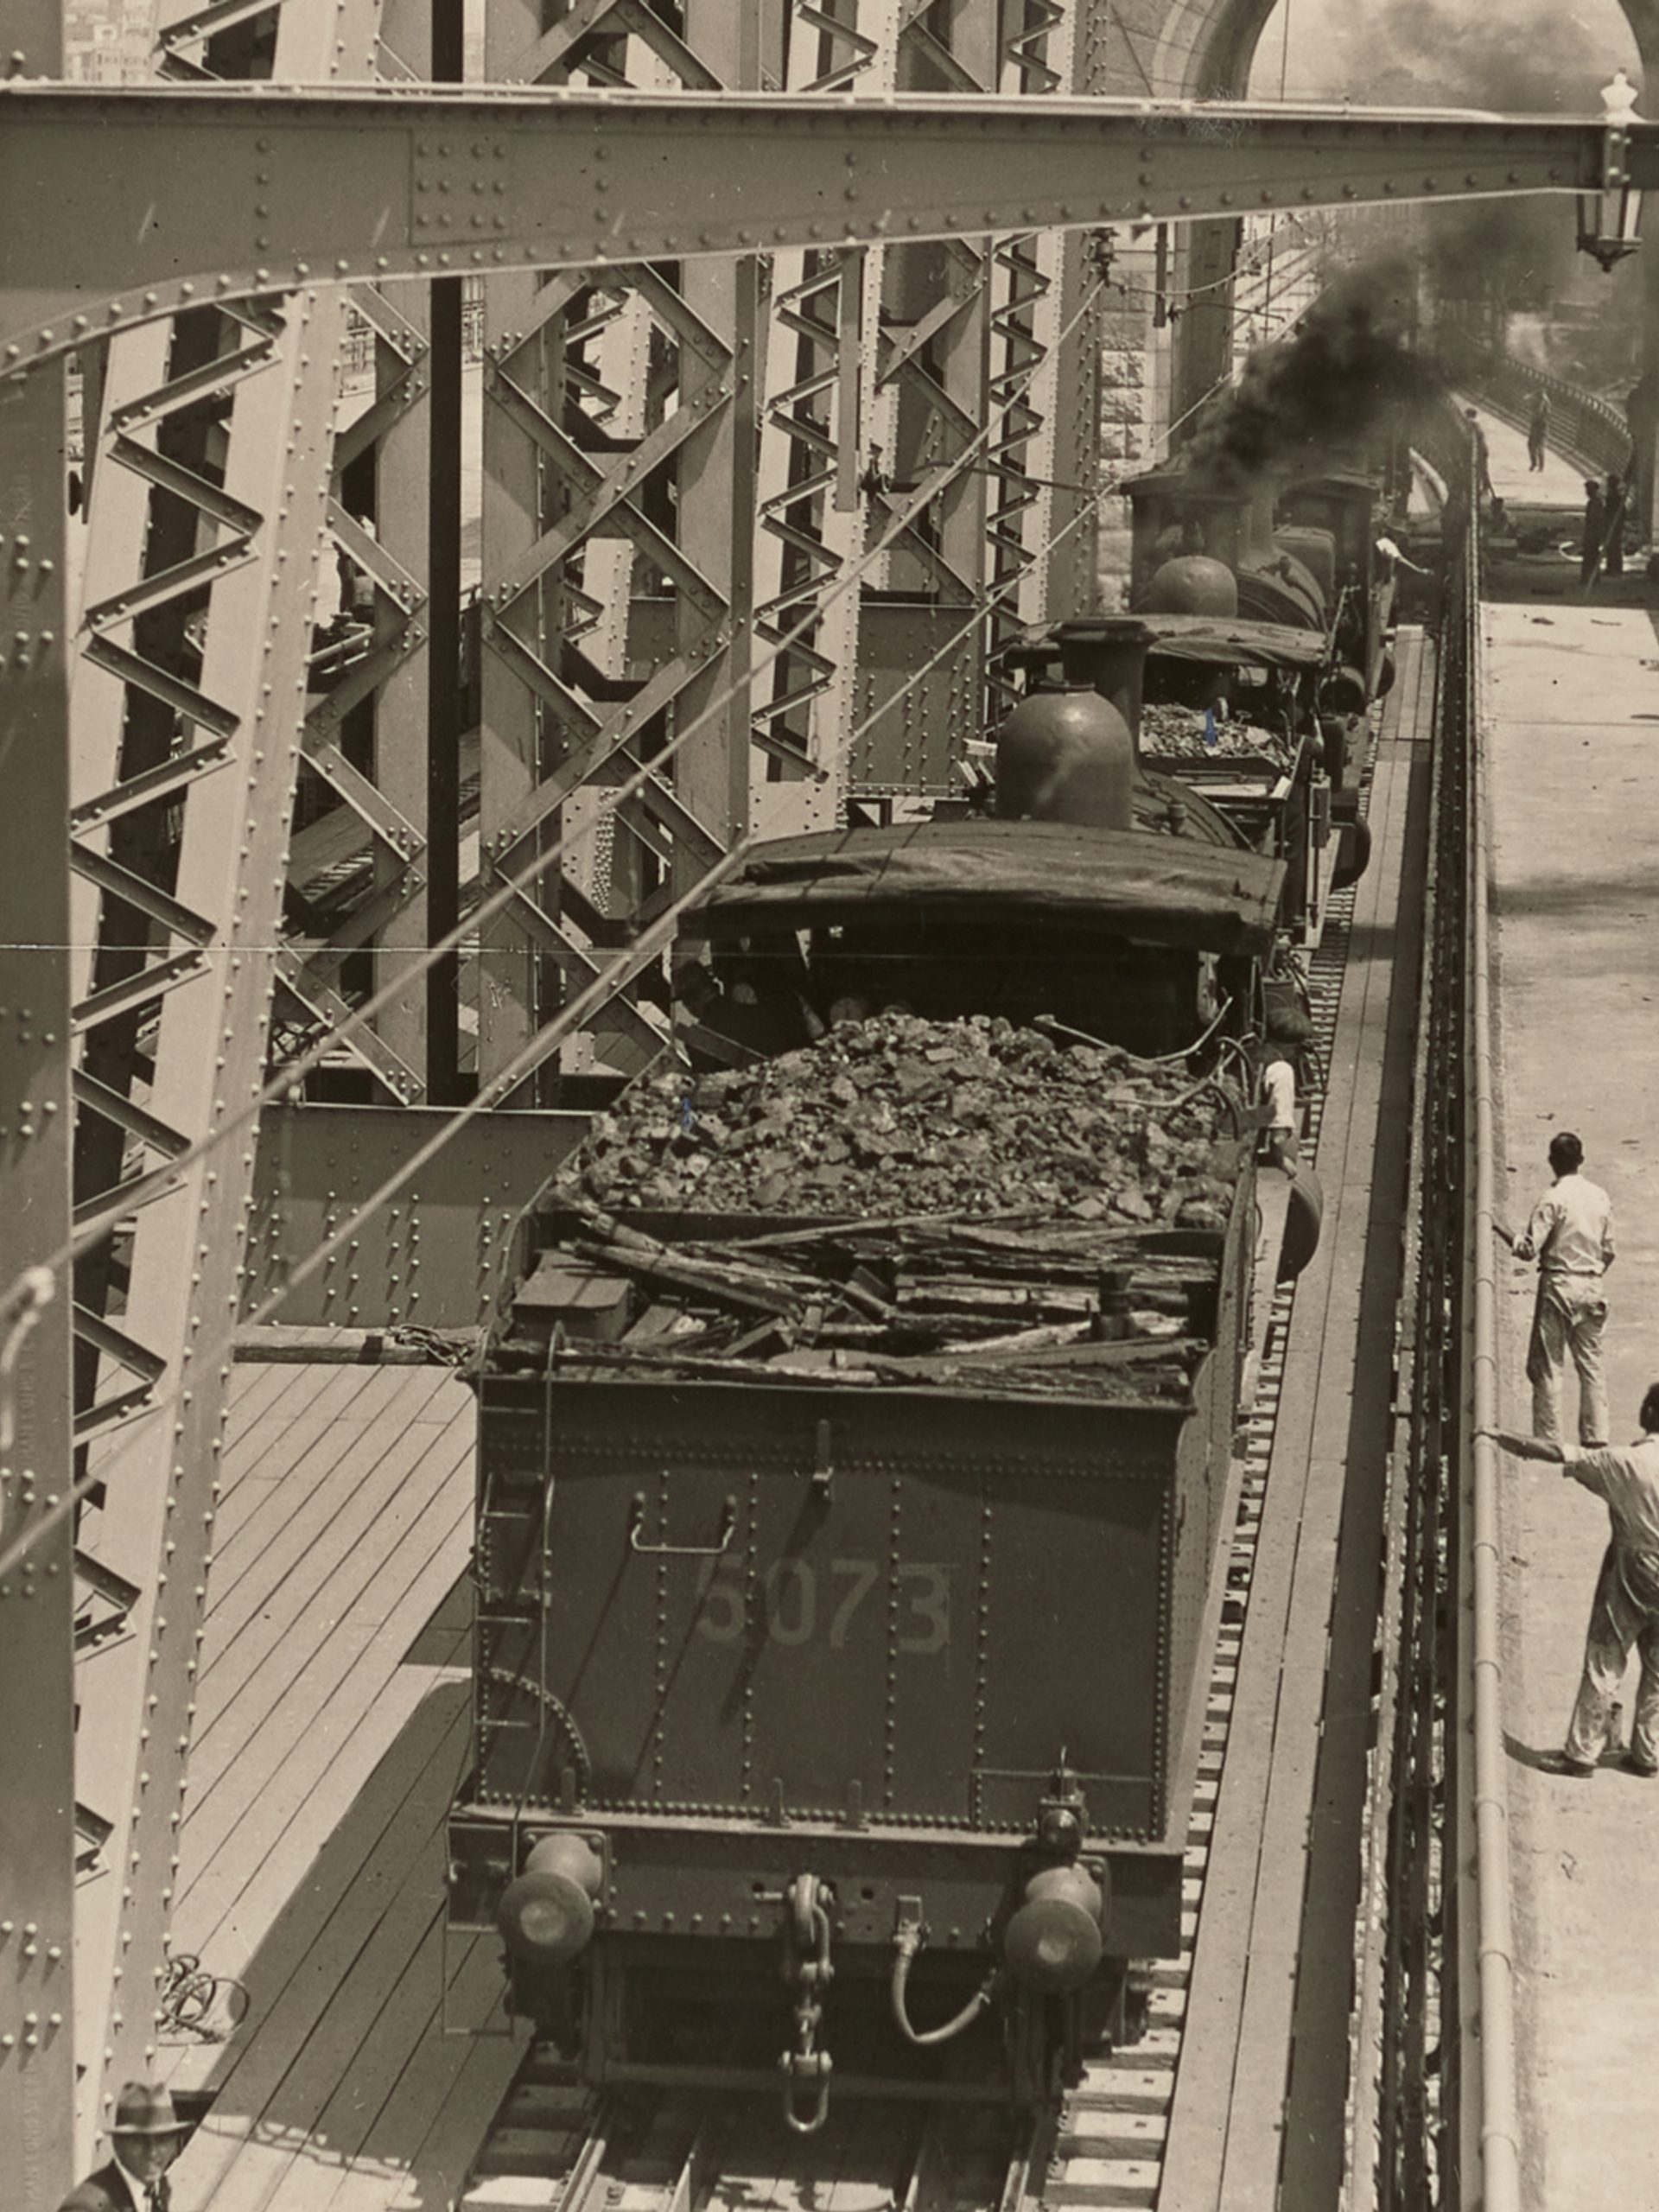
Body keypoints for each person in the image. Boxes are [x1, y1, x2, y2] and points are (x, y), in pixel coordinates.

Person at [1494, 1385, 1659, 1777]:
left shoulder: (1627, 1462)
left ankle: (1582, 1752)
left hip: (1634, 1565)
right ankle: (1649, 1752)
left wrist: (1502, 1436)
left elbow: (1561, 1453)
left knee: (1607, 1654)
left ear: (1651, 1411)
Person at [1503, 1130, 1614, 1449]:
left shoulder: (1552, 1198)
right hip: (1593, 1283)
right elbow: (1609, 1250)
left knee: (1549, 1365)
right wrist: (1590, 1274)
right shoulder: (1600, 1196)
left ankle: (1548, 1439)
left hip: (1558, 1284)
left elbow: (1528, 1249)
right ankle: (1596, 1436)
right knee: (1591, 1364)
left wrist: (1504, 1231)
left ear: (1552, 1162)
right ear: (1581, 1160)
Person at [59, 2081, 188, 2211]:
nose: (152, 2152)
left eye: (162, 2140)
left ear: (175, 2143)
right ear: (117, 2144)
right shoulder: (85, 2207)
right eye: (139, 2140)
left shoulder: (158, 2190)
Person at [1580, 479, 1607, 588]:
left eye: (1588, 490)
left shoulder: (1596, 502)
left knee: (1590, 556)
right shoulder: (1594, 501)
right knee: (1591, 555)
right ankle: (1591, 577)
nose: (1587, 492)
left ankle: (1590, 578)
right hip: (1592, 532)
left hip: (1593, 533)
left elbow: (1594, 519)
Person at [1603, 469, 1628, 575]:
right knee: (1610, 546)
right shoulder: (1613, 496)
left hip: (1614, 524)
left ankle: (1616, 569)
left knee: (1614, 547)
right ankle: (1611, 568)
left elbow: (1620, 511)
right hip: (1611, 523)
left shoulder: (1616, 497)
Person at [1465, 407, 1493, 502]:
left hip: (1480, 451)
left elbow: (1478, 437)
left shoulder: (1473, 424)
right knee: (1483, 470)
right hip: (1481, 450)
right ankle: (1485, 487)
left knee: (1482, 470)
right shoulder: (1475, 424)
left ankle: (1485, 488)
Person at [1527, 389, 1551, 472]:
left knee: (1539, 447)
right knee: (1532, 446)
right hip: (1536, 427)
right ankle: (1535, 464)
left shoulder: (1544, 405)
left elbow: (1540, 413)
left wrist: (1543, 400)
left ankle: (1540, 465)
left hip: (1541, 428)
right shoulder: (1539, 403)